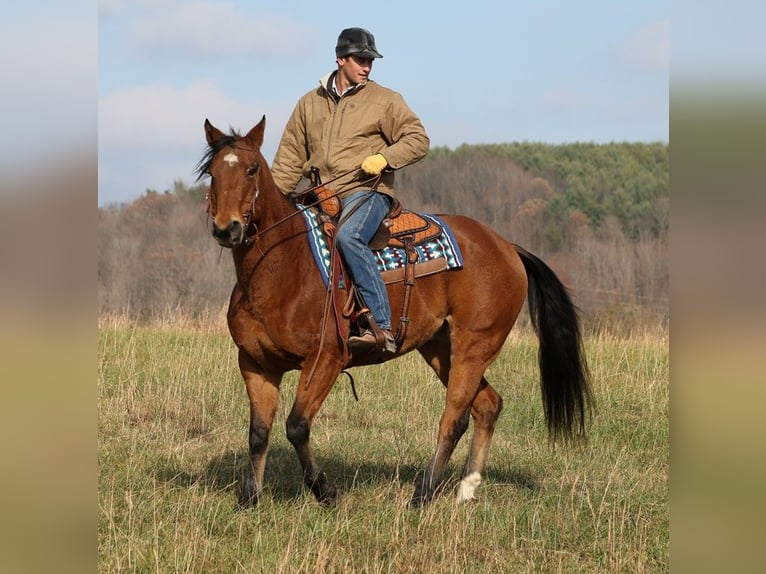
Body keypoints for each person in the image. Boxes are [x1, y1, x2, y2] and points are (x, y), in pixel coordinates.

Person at [271, 27, 430, 353]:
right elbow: (289, 160)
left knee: (348, 237)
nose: (367, 66)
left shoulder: (385, 100)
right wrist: (272, 203)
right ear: (340, 59)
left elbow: (418, 140)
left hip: (367, 192)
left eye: (370, 60)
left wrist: (384, 158)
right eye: (360, 59)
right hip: (320, 197)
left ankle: (381, 327)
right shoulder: (308, 104)